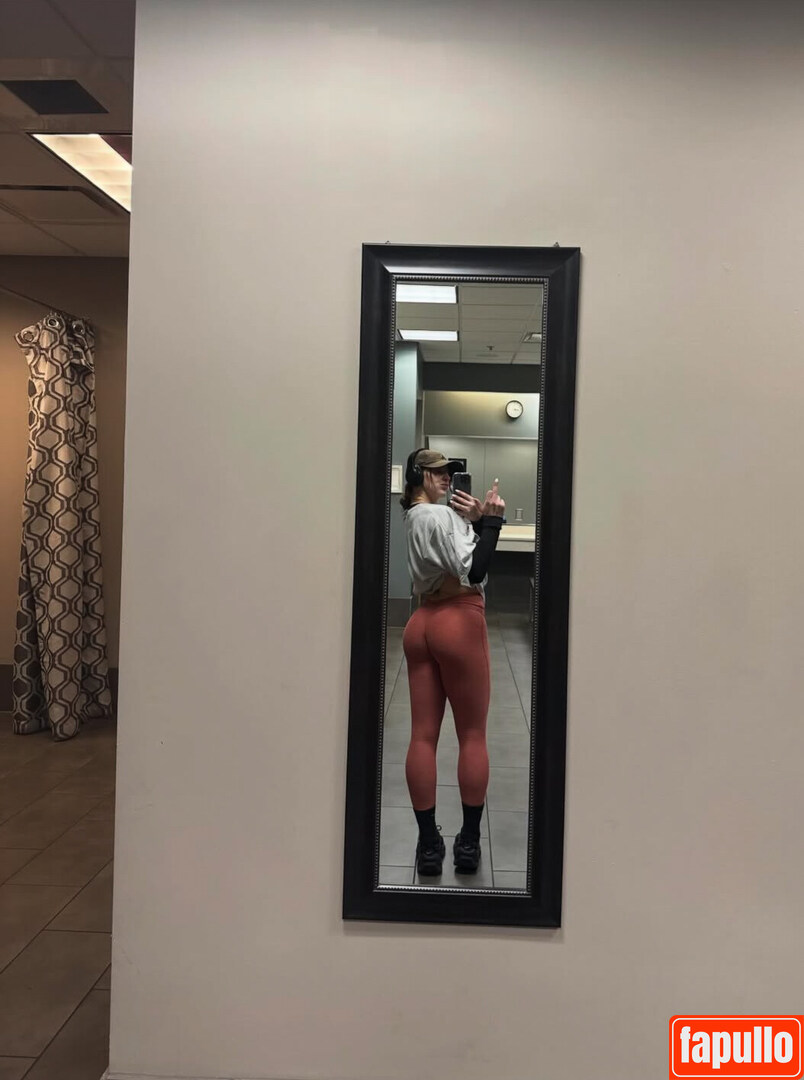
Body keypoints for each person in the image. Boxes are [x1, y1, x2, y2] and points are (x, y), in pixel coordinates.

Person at [399, 448, 505, 876]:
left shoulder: (414, 517)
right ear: (417, 475)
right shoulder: (440, 516)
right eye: (437, 472)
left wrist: (473, 522)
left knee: (422, 737)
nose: (446, 478)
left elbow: (450, 557)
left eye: (450, 472)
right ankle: (469, 843)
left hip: (421, 623)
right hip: (458, 620)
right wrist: (493, 522)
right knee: (472, 736)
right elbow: (474, 571)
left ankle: (428, 845)